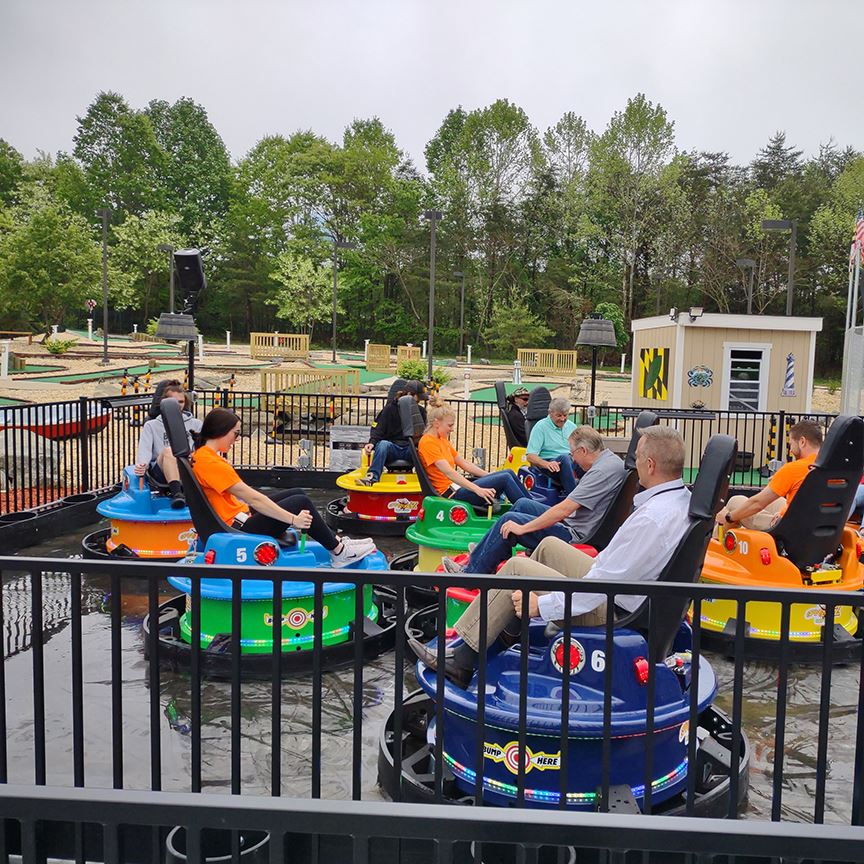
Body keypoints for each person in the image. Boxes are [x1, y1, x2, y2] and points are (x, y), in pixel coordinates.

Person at [409, 425, 691, 688]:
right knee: (548, 547)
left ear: (651, 465)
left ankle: (462, 661)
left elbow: (600, 587)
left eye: (639, 456)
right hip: (619, 587)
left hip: (613, 608)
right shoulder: (680, 499)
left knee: (518, 569)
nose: (636, 462)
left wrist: (543, 605)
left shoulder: (652, 518)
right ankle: (509, 631)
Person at [192, 407, 376, 567]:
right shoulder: (210, 463)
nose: (236, 439)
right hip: (238, 528)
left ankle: (335, 541)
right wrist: (293, 520)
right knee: (299, 502)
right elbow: (253, 498)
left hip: (238, 517)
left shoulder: (205, 456)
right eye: (236, 434)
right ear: (221, 431)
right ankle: (339, 552)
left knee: (297, 493)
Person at [441, 426, 626, 574]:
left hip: (573, 534)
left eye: (572, 454)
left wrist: (523, 528)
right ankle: (490, 554)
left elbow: (565, 509)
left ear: (583, 450)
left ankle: (471, 574)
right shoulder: (610, 461)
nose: (573, 460)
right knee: (522, 504)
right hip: (577, 523)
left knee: (509, 520)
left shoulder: (600, 472)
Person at [716, 419, 823, 532]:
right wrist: (783, 512)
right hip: (819, 526)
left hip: (790, 531)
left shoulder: (793, 469)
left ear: (802, 442)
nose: (790, 450)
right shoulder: (835, 470)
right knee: (775, 501)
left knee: (736, 501)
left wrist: (729, 517)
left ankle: (712, 543)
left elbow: (757, 504)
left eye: (791, 444)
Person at [418, 399, 528, 508]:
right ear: (436, 423)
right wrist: (477, 489)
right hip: (451, 494)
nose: (452, 429)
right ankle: (528, 509)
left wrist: (491, 476)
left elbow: (465, 464)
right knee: (505, 478)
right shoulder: (428, 443)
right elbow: (449, 473)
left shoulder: (441, 439)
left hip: (456, 488)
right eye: (450, 425)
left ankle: (532, 504)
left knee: (507, 472)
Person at [135, 379, 201, 509]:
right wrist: (142, 464)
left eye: (181, 402)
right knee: (169, 451)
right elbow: (145, 451)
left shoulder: (196, 424)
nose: (178, 406)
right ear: (164, 404)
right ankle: (177, 493)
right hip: (161, 470)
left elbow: (205, 448)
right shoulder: (152, 425)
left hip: (189, 467)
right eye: (173, 402)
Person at [358, 380, 427, 485]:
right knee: (383, 445)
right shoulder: (390, 409)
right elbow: (378, 428)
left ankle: (426, 479)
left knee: (423, 449)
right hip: (392, 447)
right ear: (409, 395)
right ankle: (372, 477)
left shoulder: (421, 411)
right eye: (418, 398)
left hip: (410, 448)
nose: (419, 402)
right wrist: (372, 442)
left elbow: (424, 432)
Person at [524, 397, 579, 494]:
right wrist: (547, 464)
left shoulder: (572, 427)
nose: (562, 419)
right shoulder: (540, 427)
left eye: (565, 415)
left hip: (571, 461)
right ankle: (574, 497)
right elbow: (530, 456)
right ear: (550, 413)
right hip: (549, 464)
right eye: (559, 416)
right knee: (565, 458)